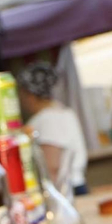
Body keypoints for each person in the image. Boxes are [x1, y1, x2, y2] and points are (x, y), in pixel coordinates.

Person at [17, 62, 89, 195]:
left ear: (30, 95)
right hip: (74, 186)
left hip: (65, 191)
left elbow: (52, 166)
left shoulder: (48, 119)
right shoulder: (64, 112)